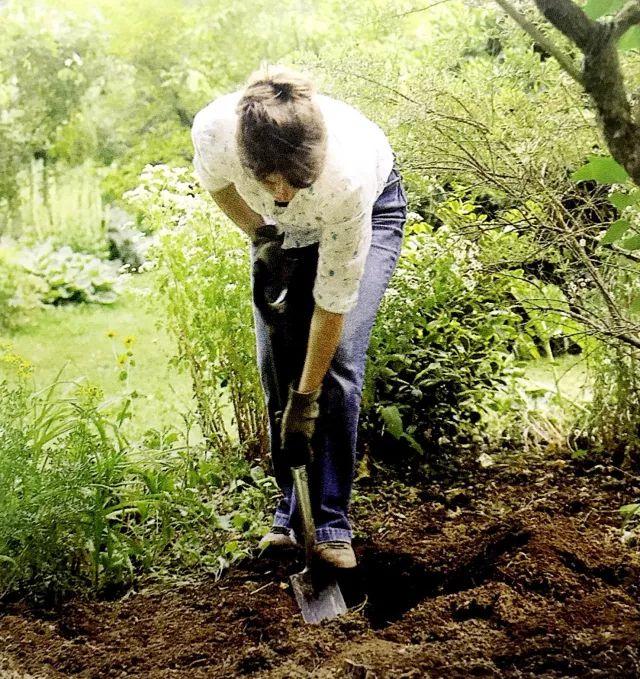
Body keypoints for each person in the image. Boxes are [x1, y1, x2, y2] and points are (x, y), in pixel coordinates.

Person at [191, 65, 407, 569]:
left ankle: (330, 522)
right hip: (284, 234)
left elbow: (333, 303)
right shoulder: (216, 131)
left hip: (367, 215)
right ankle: (290, 514)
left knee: (332, 366)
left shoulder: (345, 179)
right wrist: (261, 233)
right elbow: (221, 187)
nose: (283, 194)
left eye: (297, 181)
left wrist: (305, 401)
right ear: (249, 158)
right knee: (276, 367)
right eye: (271, 182)